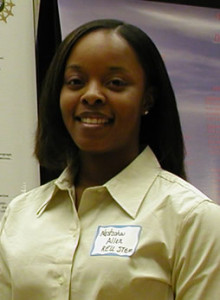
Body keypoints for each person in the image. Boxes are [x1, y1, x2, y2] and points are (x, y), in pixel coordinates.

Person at [0, 19, 220, 300]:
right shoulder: (22, 214)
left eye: (115, 83)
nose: (91, 95)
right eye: (76, 82)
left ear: (147, 99)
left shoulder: (193, 220)